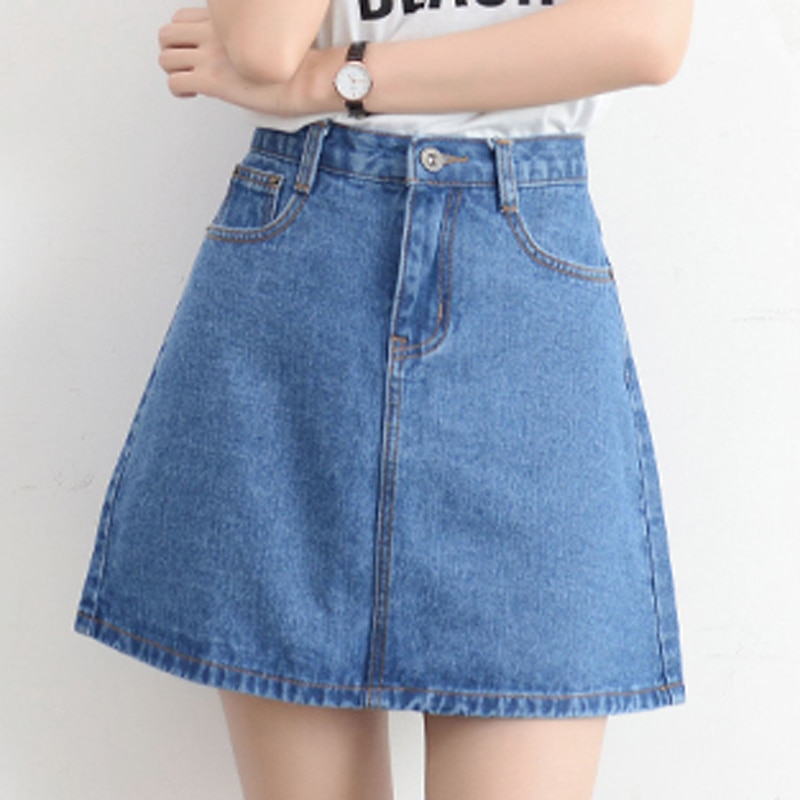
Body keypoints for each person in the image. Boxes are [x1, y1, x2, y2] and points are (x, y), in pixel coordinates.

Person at [74, 1, 693, 798]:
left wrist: (340, 78)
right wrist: (309, 78)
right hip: (306, 266)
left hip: (522, 279)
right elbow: (263, 48)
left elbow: (645, 37)